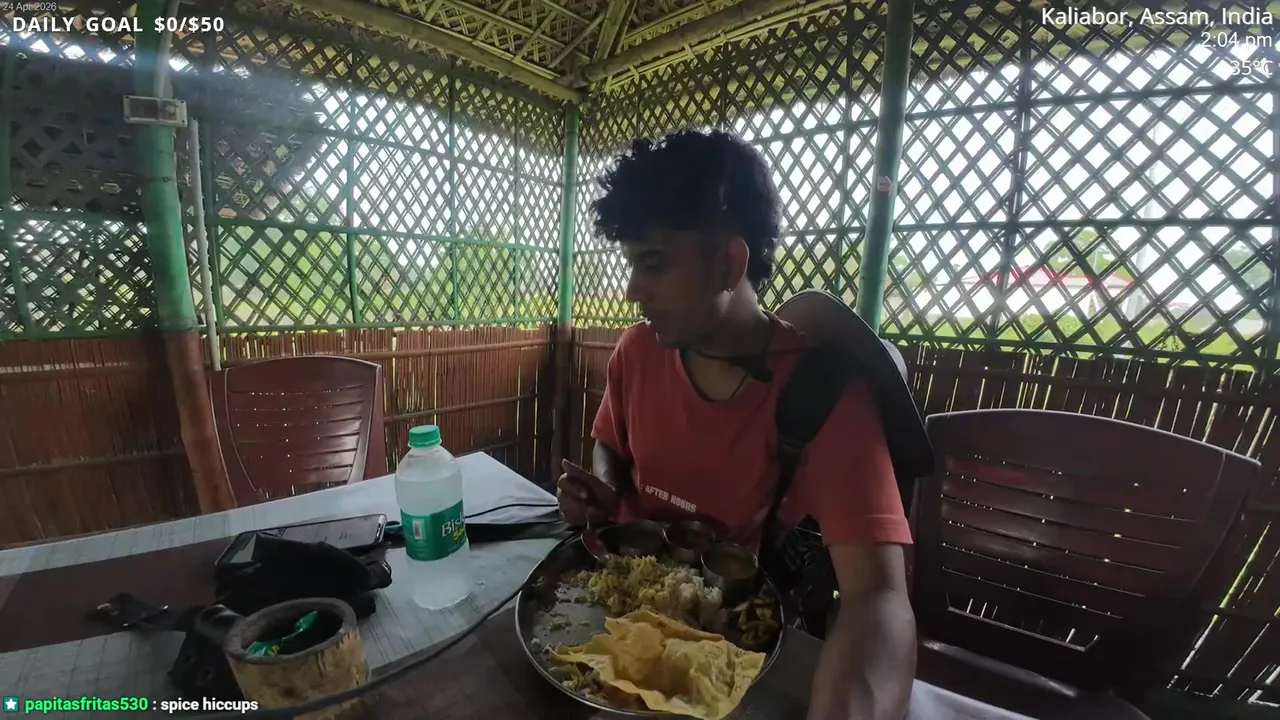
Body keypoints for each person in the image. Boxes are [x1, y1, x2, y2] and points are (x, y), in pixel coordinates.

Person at [556, 129, 916, 720]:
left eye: (652, 264)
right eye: (632, 264)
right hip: (614, 611)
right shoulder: (637, 352)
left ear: (728, 262)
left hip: (731, 645)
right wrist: (606, 489)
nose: (632, 292)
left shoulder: (824, 395)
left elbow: (878, 599)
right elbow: (607, 442)